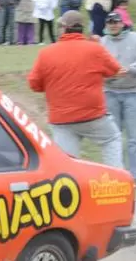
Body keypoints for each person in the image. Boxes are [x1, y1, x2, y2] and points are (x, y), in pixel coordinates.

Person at [26, 10, 126, 168]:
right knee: (111, 139)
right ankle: (117, 182)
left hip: (61, 118)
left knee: (67, 164)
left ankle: (71, 189)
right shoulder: (95, 50)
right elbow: (116, 70)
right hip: (92, 115)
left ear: (64, 28)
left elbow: (34, 84)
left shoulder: (46, 53)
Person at [100, 12, 136, 185]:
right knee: (113, 136)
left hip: (132, 92)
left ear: (123, 23)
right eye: (110, 22)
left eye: (116, 22)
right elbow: (96, 66)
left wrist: (129, 69)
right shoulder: (102, 42)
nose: (113, 25)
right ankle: (116, 175)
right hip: (110, 92)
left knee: (134, 138)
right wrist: (111, 74)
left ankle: (134, 177)